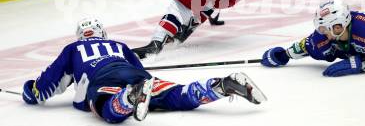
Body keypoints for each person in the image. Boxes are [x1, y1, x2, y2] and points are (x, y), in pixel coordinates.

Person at [22, 18, 267, 124]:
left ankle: (128, 98)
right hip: (135, 75)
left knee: (108, 110)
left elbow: (48, 84)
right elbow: (143, 75)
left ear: (80, 36)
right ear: (102, 34)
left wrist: (30, 91)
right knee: (174, 96)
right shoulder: (119, 45)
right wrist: (141, 84)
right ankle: (221, 85)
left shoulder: (72, 49)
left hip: (103, 80)